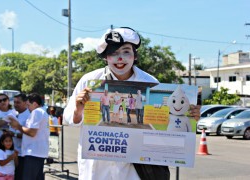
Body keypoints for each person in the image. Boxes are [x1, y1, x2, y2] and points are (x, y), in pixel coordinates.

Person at [63, 27, 200, 180]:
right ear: (106, 58)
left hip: (134, 172)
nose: (119, 58)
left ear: (135, 56)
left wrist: (189, 115)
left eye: (126, 52)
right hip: (97, 170)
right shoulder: (89, 81)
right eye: (113, 53)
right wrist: (78, 111)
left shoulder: (151, 83)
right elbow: (69, 119)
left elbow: (170, 125)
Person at [9, 93, 49, 180]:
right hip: (37, 153)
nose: (27, 107)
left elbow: (32, 132)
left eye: (28, 105)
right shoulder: (42, 112)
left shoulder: (36, 112)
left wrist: (18, 126)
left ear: (35, 104)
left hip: (33, 153)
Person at [7, 93, 30, 179]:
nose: (16, 105)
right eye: (15, 102)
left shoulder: (29, 116)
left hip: (23, 153)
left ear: (25, 102)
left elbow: (29, 134)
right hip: (13, 151)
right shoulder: (13, 113)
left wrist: (14, 134)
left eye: (18, 102)